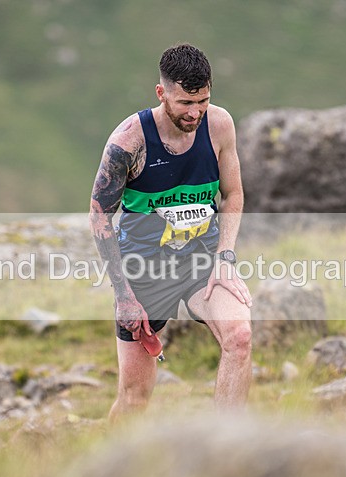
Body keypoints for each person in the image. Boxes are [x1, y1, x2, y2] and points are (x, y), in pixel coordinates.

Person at [89, 43, 253, 422]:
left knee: (240, 337)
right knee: (134, 398)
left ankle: (228, 443)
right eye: (185, 103)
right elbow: (100, 217)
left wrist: (225, 257)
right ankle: (111, 457)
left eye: (203, 101)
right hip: (145, 269)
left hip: (202, 261)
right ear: (161, 93)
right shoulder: (129, 142)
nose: (195, 112)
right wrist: (124, 296)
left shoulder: (220, 125)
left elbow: (232, 194)